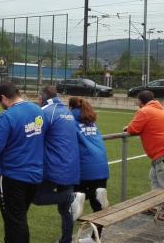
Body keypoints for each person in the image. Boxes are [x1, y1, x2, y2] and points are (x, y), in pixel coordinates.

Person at [0, 82, 44, 243]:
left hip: (13, 175)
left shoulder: (7, 116)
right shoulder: (37, 110)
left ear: (4, 98)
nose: (0, 106)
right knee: (19, 218)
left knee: (14, 222)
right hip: (34, 175)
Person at [32, 85, 84, 243]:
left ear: (41, 99)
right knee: (65, 208)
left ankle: (72, 196)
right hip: (71, 165)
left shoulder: (46, 112)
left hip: (55, 166)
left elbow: (34, 134)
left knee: (36, 197)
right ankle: (66, 239)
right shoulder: (66, 111)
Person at [125, 90, 164, 222]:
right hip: (162, 152)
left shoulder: (145, 111)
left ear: (140, 100)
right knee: (154, 178)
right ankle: (157, 206)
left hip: (162, 153)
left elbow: (133, 129)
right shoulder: (160, 110)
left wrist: (127, 128)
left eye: (137, 100)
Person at [69, 97, 110, 243]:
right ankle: (95, 238)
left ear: (70, 107)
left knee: (70, 201)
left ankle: (66, 238)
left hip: (85, 167)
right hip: (101, 165)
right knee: (97, 207)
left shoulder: (70, 120)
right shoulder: (91, 121)